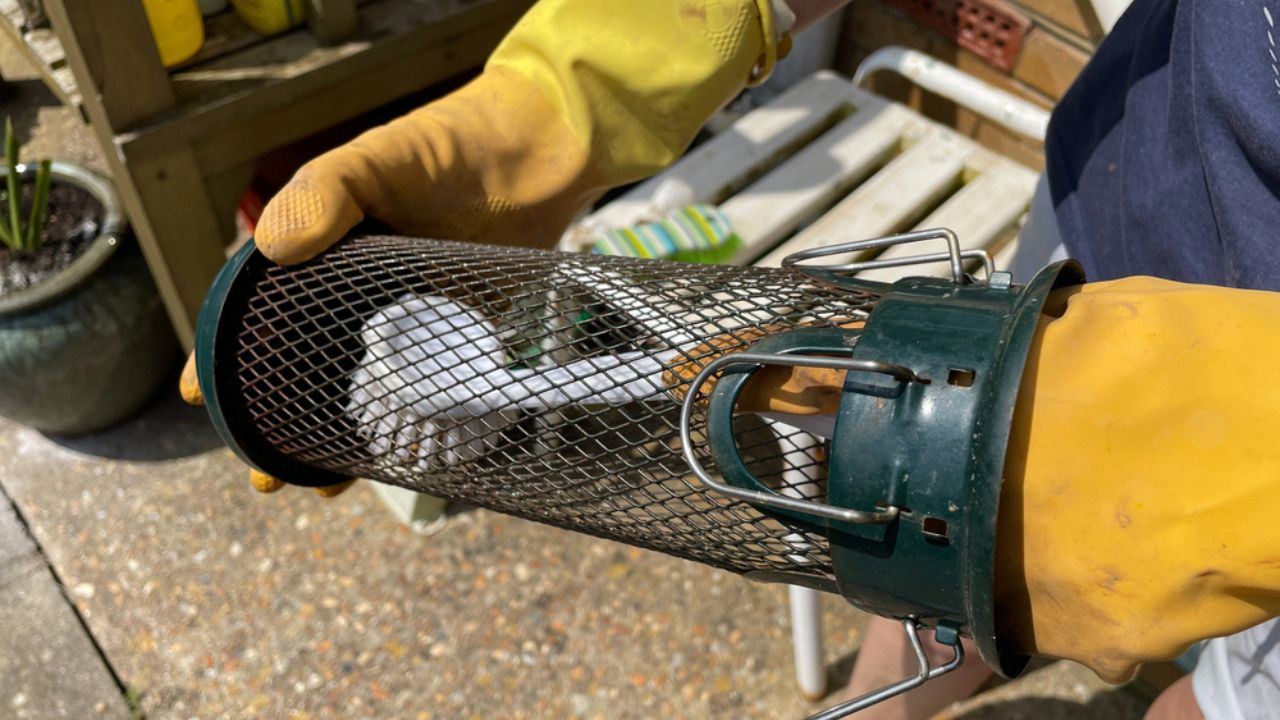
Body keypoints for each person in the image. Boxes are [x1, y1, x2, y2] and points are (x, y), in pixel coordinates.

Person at [180, 1, 1280, 717]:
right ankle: (883, 705)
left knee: (1236, 691)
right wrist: (553, 105)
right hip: (1124, 182)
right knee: (894, 488)